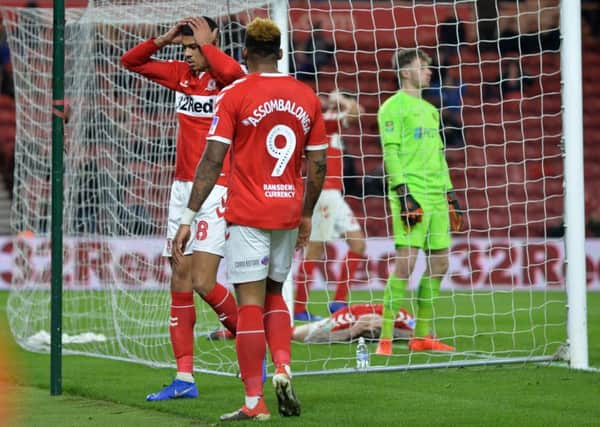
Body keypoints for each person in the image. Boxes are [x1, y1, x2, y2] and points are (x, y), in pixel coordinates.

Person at [172, 17, 327, 421]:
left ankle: (254, 401)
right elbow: (319, 163)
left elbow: (212, 160)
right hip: (288, 210)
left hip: (248, 213)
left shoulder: (235, 95)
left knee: (250, 305)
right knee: (277, 293)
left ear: (244, 53)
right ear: (279, 53)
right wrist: (307, 213)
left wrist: (189, 215)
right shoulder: (305, 94)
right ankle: (283, 366)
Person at [121, 16, 245, 401]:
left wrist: (208, 46)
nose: (189, 55)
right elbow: (131, 62)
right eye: (186, 49)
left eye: (194, 48)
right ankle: (185, 378)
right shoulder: (180, 75)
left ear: (211, 43)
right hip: (180, 191)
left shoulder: (229, 81)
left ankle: (251, 340)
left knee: (204, 282)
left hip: (216, 186)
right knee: (179, 279)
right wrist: (166, 38)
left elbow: (234, 73)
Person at [375, 48, 464, 356]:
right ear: (405, 72)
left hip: (437, 195)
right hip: (411, 194)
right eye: (422, 66)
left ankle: (421, 336)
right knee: (407, 263)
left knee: (440, 262)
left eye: (428, 67)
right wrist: (403, 193)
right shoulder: (392, 107)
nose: (428, 71)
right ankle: (385, 338)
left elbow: (439, 157)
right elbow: (391, 153)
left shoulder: (430, 109)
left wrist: (450, 194)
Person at [294, 90, 366, 320]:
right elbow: (356, 111)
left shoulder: (333, 124)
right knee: (314, 249)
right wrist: (340, 100)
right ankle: (298, 308)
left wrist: (340, 100)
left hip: (335, 195)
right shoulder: (322, 123)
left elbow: (357, 111)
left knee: (358, 244)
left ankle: (338, 302)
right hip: (323, 194)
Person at [292, 303, 414, 343]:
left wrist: (391, 329)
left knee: (295, 334)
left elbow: (427, 332)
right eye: (372, 328)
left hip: (345, 323)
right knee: (293, 333)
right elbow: (314, 336)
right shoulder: (345, 319)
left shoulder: (397, 317)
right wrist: (352, 331)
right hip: (339, 318)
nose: (371, 326)